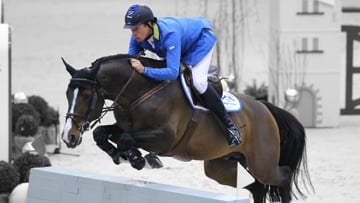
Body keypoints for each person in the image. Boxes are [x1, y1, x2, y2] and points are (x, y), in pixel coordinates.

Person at [123, 4, 241, 147]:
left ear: (149, 24)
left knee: (198, 83)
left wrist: (145, 70)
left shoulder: (169, 34)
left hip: (200, 41)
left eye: (136, 28)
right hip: (181, 44)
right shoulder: (137, 37)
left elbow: (172, 73)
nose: (133, 33)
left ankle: (230, 127)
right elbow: (132, 60)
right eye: (131, 29)